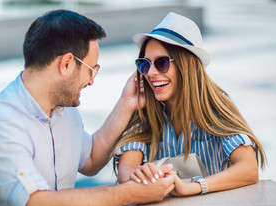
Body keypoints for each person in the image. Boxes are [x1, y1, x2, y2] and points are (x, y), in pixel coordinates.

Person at [0, 9, 175, 206]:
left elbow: (90, 161)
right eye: (92, 70)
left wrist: (126, 104)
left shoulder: (63, 112)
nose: (92, 81)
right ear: (67, 64)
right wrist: (132, 193)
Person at [112, 12, 266, 196]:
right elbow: (125, 172)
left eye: (161, 63)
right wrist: (140, 175)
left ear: (187, 65)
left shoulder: (215, 107)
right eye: (145, 64)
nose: (150, 73)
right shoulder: (143, 110)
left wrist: (192, 186)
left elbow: (249, 169)